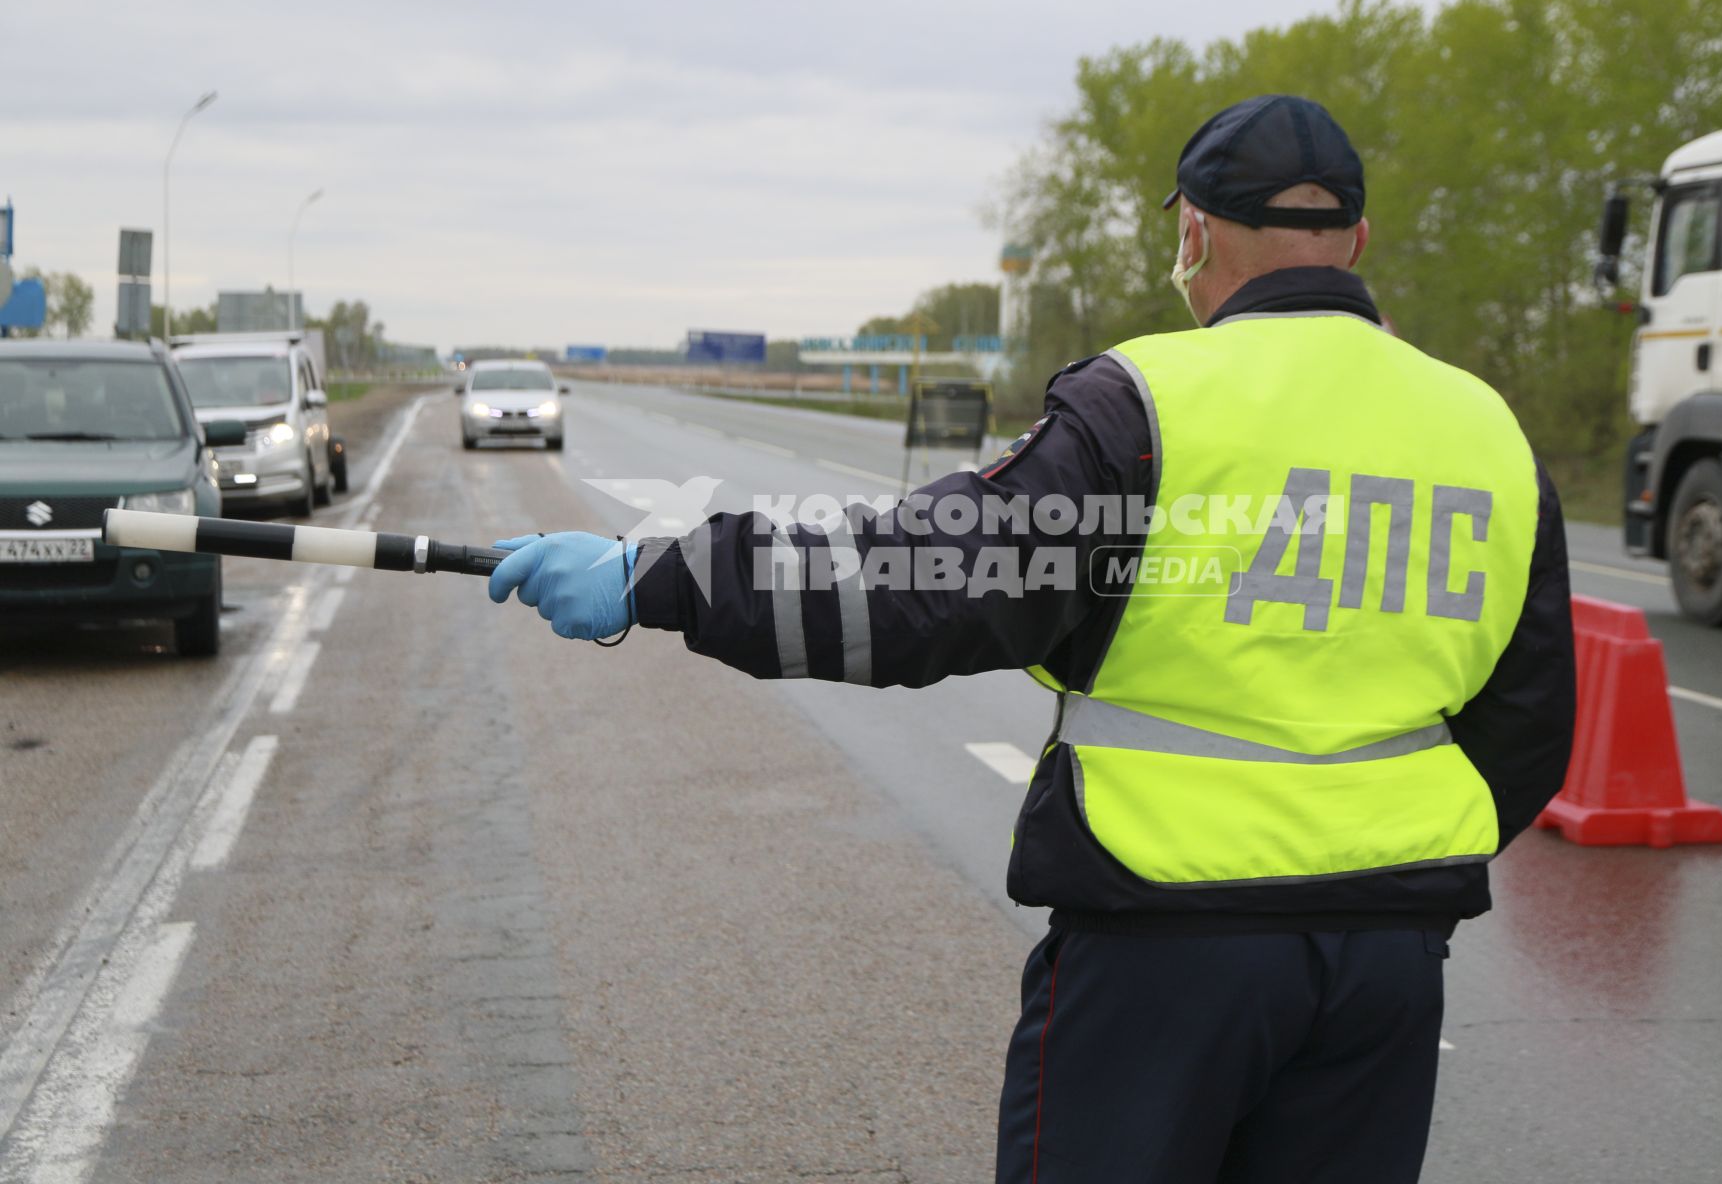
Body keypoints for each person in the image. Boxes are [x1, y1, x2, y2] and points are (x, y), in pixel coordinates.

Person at [489, 94, 1576, 1183]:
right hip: (1386, 967)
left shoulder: (1146, 404)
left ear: (1192, 231)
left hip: (1164, 944)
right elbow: (1529, 721)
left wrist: (662, 571)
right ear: (1358, 239)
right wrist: (1401, 879)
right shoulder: (1486, 428)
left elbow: (923, 584)